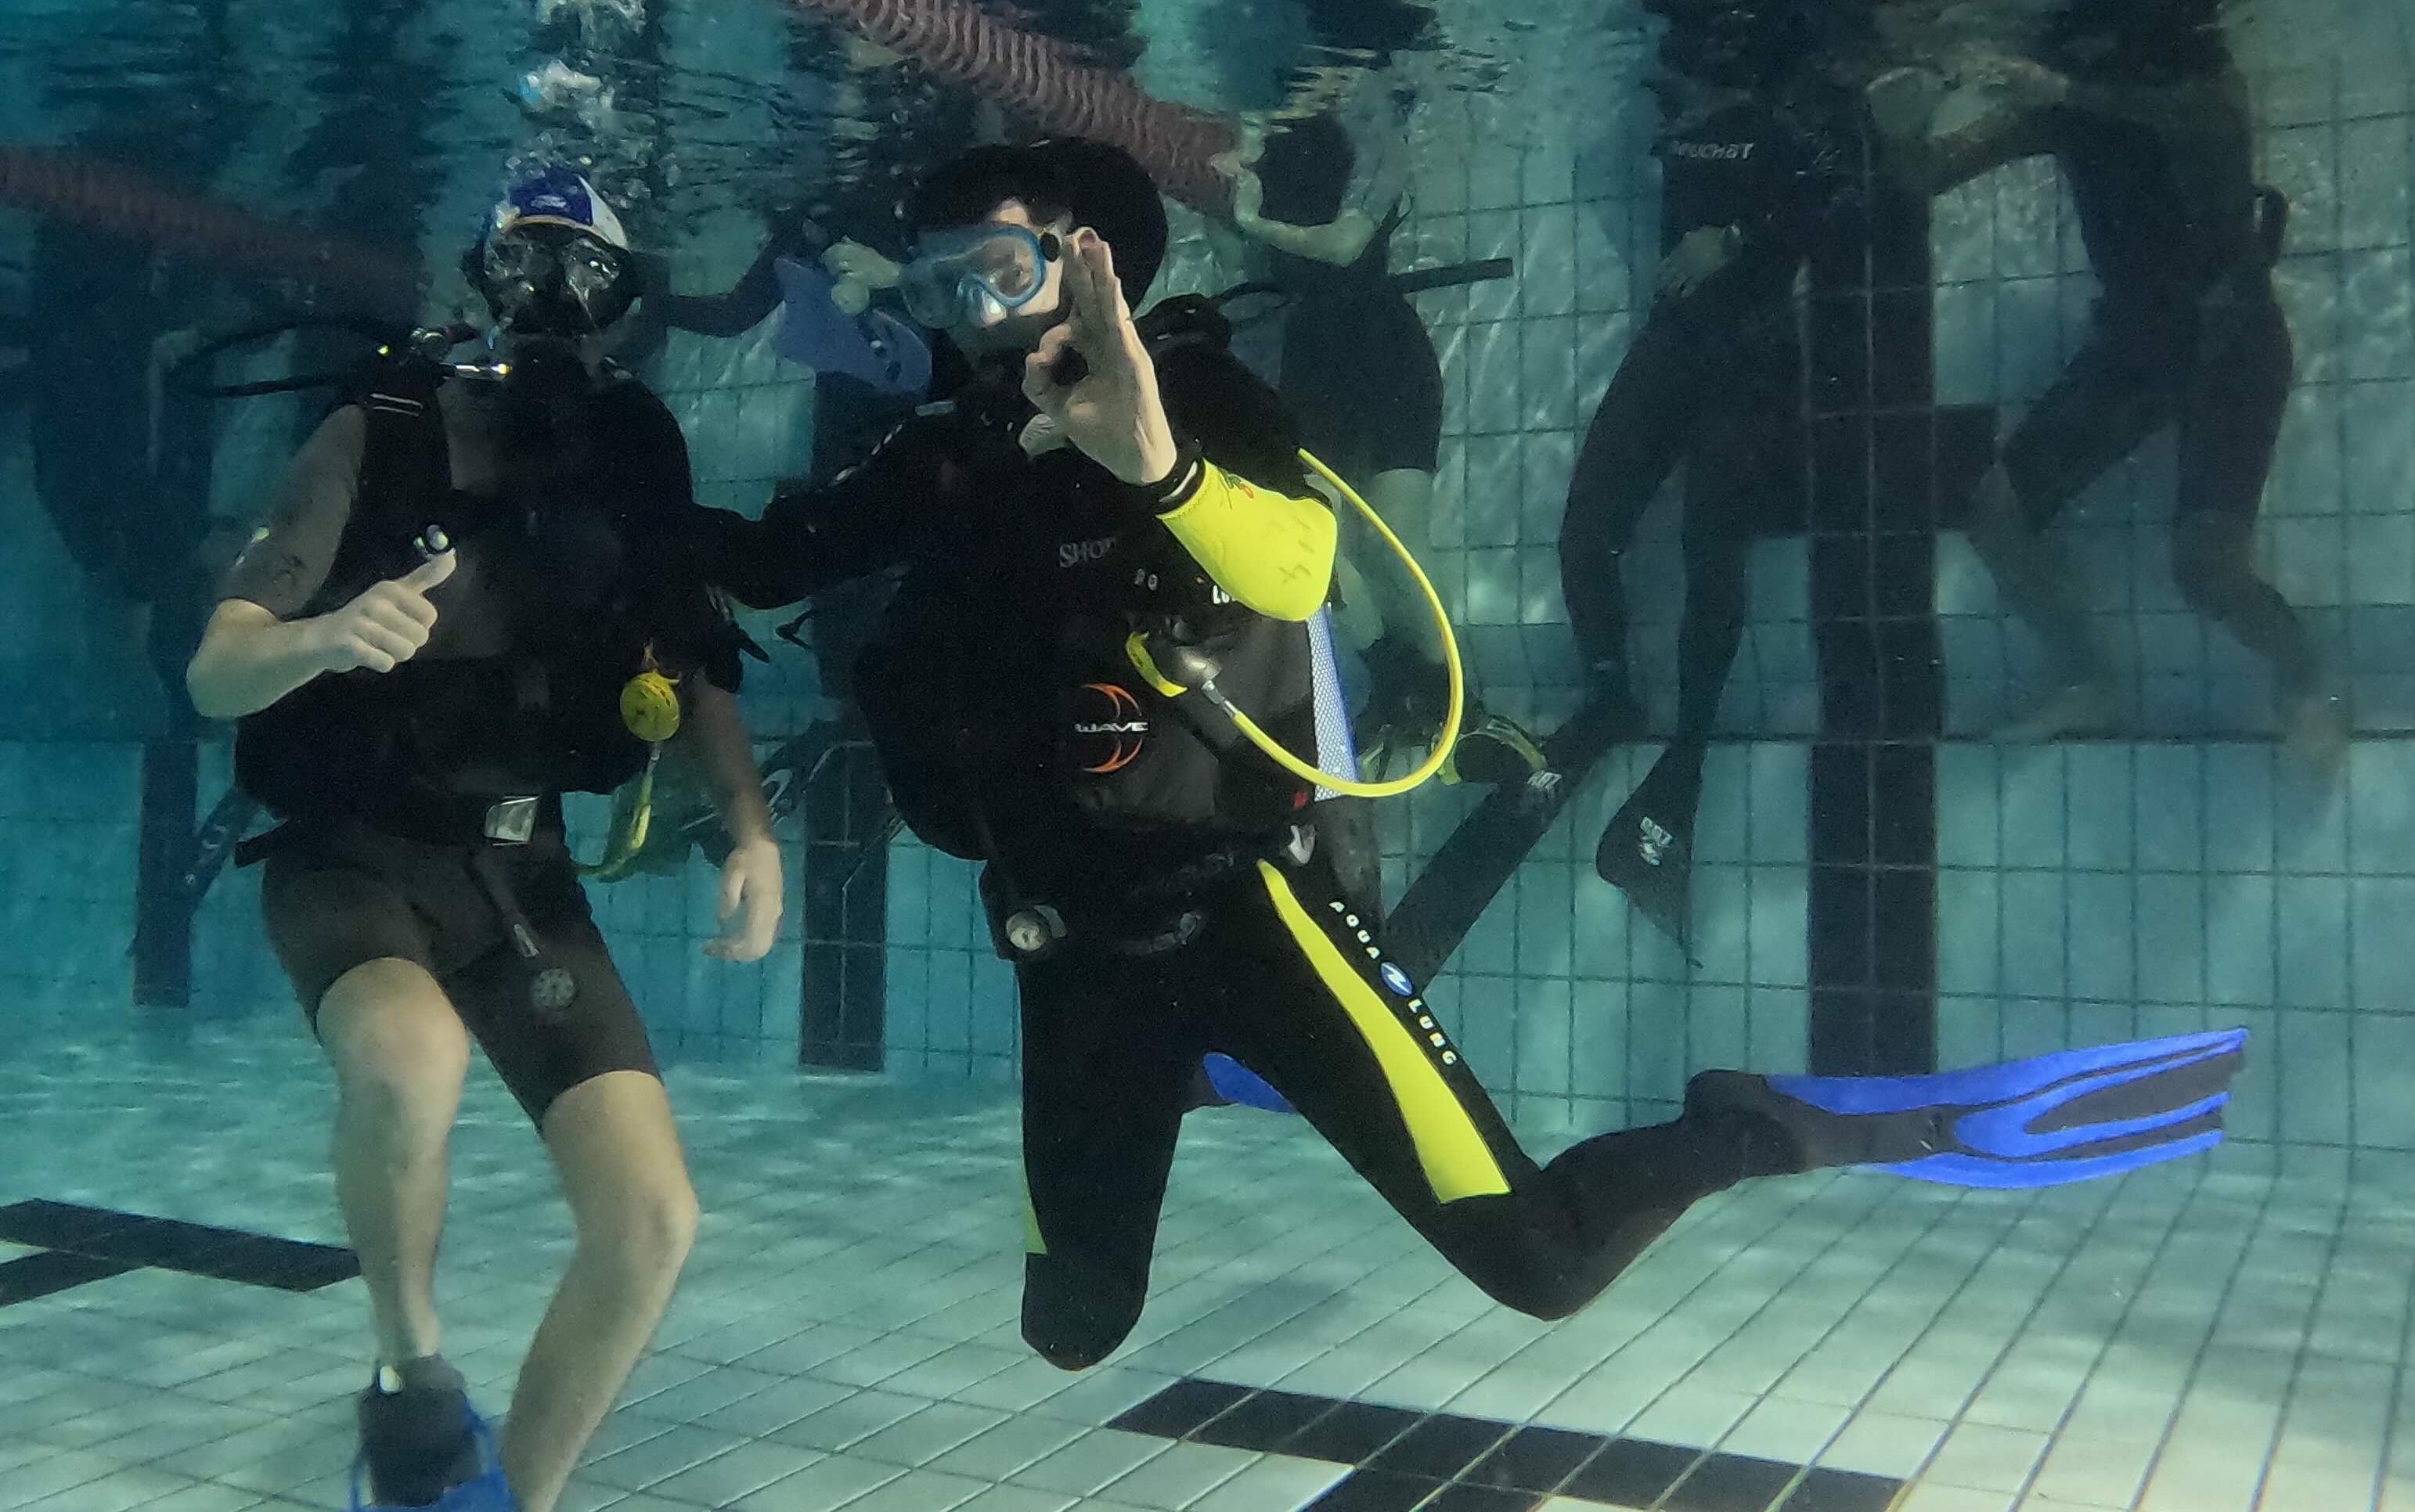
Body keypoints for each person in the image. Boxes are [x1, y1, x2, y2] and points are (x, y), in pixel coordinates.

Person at [697, 136, 2247, 1368]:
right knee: (1073, 1329)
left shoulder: (1197, 392)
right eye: (944, 286)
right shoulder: (952, 457)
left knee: (1545, 1267)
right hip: (1070, 944)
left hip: (1247, 908)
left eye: (1003, 270)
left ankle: (1744, 1125)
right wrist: (595, 511)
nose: (977, 315)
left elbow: (1300, 565)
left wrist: (1156, 465)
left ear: (1086, 260)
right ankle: (1191, 1069)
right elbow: (766, 564)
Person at [184, 167, 783, 1512]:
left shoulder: (631, 454)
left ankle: (509, 1501)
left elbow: (689, 655)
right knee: (411, 1055)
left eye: (586, 275)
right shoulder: (379, 431)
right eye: (525, 265)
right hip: (352, 854)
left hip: (521, 873)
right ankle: (411, 1380)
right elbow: (217, 671)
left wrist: (751, 827)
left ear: (622, 305)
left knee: (651, 1222)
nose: (552, 300)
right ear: (483, 280)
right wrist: (324, 635)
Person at [1874, 0, 2338, 760]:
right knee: (1993, 512)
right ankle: (2085, 679)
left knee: (2206, 569)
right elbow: (1928, 174)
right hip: (2138, 347)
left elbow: (2205, 122)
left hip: (2231, 341)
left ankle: (2305, 682)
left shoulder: (2199, 74)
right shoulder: (2060, 106)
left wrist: (2061, 90)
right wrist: (1899, 126)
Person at [1560, 0, 1868, 945]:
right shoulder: (1670, 88)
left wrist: (1732, 240)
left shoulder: (1789, 104)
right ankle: (1611, 688)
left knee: (1711, 550)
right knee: (1586, 525)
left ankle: (1684, 762)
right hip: (1675, 341)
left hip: (1754, 351)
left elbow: (1842, 198)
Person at [1213, 93, 1545, 787]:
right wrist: (1231, 190)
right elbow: (1248, 255)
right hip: (1311, 359)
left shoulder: (1377, 134)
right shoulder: (1262, 132)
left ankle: (1459, 705)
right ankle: (1397, 688)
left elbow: (1345, 245)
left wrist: (1251, 218)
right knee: (1323, 541)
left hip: (1384, 351)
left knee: (1398, 543)